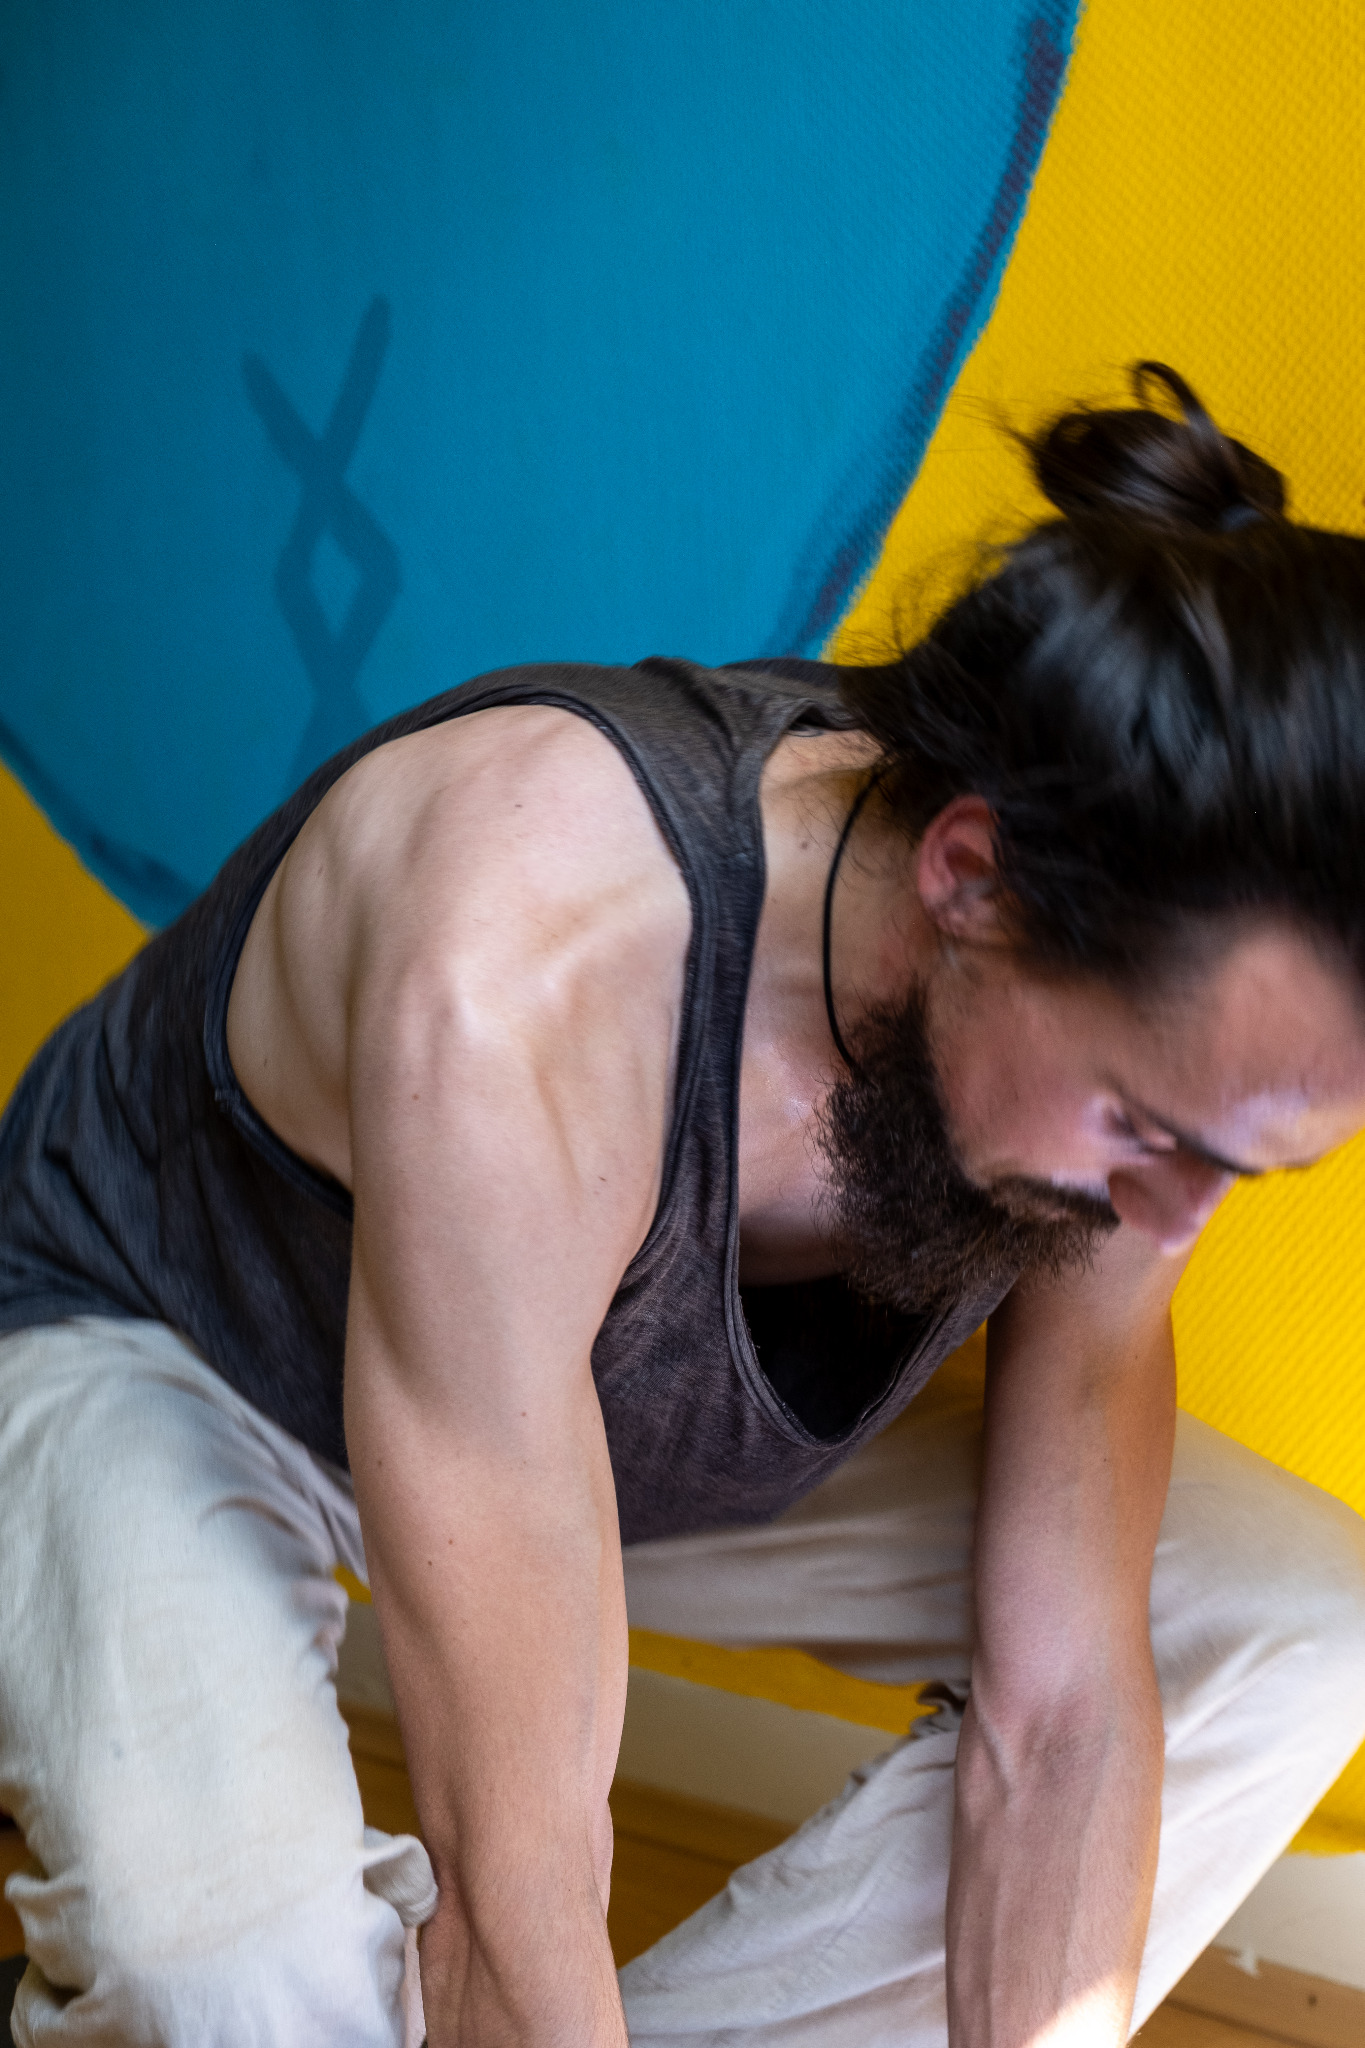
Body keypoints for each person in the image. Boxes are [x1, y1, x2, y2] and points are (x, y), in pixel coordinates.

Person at [1, 364, 1365, 2048]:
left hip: (600, 1418)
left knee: (1291, 1627)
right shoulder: (526, 969)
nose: (1175, 1210)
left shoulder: (1131, 1091)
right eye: (1148, 1127)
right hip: (187, 1343)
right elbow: (521, 1865)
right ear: (971, 880)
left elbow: (1063, 1707)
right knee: (237, 1983)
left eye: (1239, 1159)